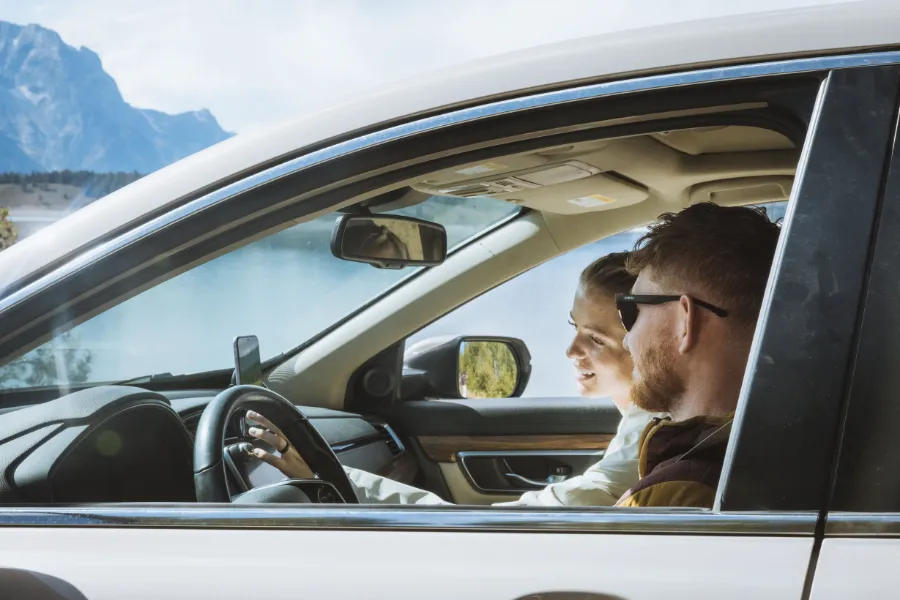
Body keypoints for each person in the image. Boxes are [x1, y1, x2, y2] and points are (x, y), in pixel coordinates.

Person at [244, 251, 664, 506]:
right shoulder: (644, 430)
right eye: (573, 328)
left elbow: (504, 530)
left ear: (655, 341)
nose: (571, 352)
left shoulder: (648, 444)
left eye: (595, 339)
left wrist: (330, 473)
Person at [612, 203, 780, 508]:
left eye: (631, 311)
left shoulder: (676, 494)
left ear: (684, 321)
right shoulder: (782, 447)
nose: (627, 340)